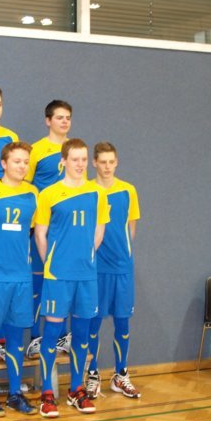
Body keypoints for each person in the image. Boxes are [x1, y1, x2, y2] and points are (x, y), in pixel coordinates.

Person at [34, 138, 109, 417]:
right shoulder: (49, 194)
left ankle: (76, 389)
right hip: (58, 275)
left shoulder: (97, 193)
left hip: (86, 275)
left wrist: (86, 257)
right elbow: (40, 234)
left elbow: (99, 231)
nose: (79, 164)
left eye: (83, 159)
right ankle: (46, 393)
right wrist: (52, 263)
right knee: (52, 332)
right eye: (74, 159)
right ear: (63, 161)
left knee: (81, 333)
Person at [0, 142, 39, 416]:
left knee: (16, 338)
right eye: (17, 161)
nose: (22, 166)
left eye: (25, 162)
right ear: (4, 163)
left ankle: (14, 393)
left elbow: (30, 231)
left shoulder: (33, 193)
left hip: (21, 277)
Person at [87, 142, 142, 399]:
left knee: (122, 322)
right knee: (93, 323)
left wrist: (122, 254)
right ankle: (92, 374)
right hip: (96, 269)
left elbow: (131, 228)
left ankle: (121, 375)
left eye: (111, 162)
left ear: (116, 162)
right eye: (103, 162)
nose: (107, 167)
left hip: (122, 268)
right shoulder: (88, 191)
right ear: (94, 163)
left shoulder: (128, 190)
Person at [26, 100, 73, 359]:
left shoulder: (74, 150)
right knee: (39, 281)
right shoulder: (36, 150)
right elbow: (26, 186)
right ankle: (36, 337)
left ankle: (62, 336)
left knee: (63, 281)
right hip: (42, 226)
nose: (64, 121)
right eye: (59, 117)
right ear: (48, 121)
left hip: (66, 230)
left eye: (67, 117)